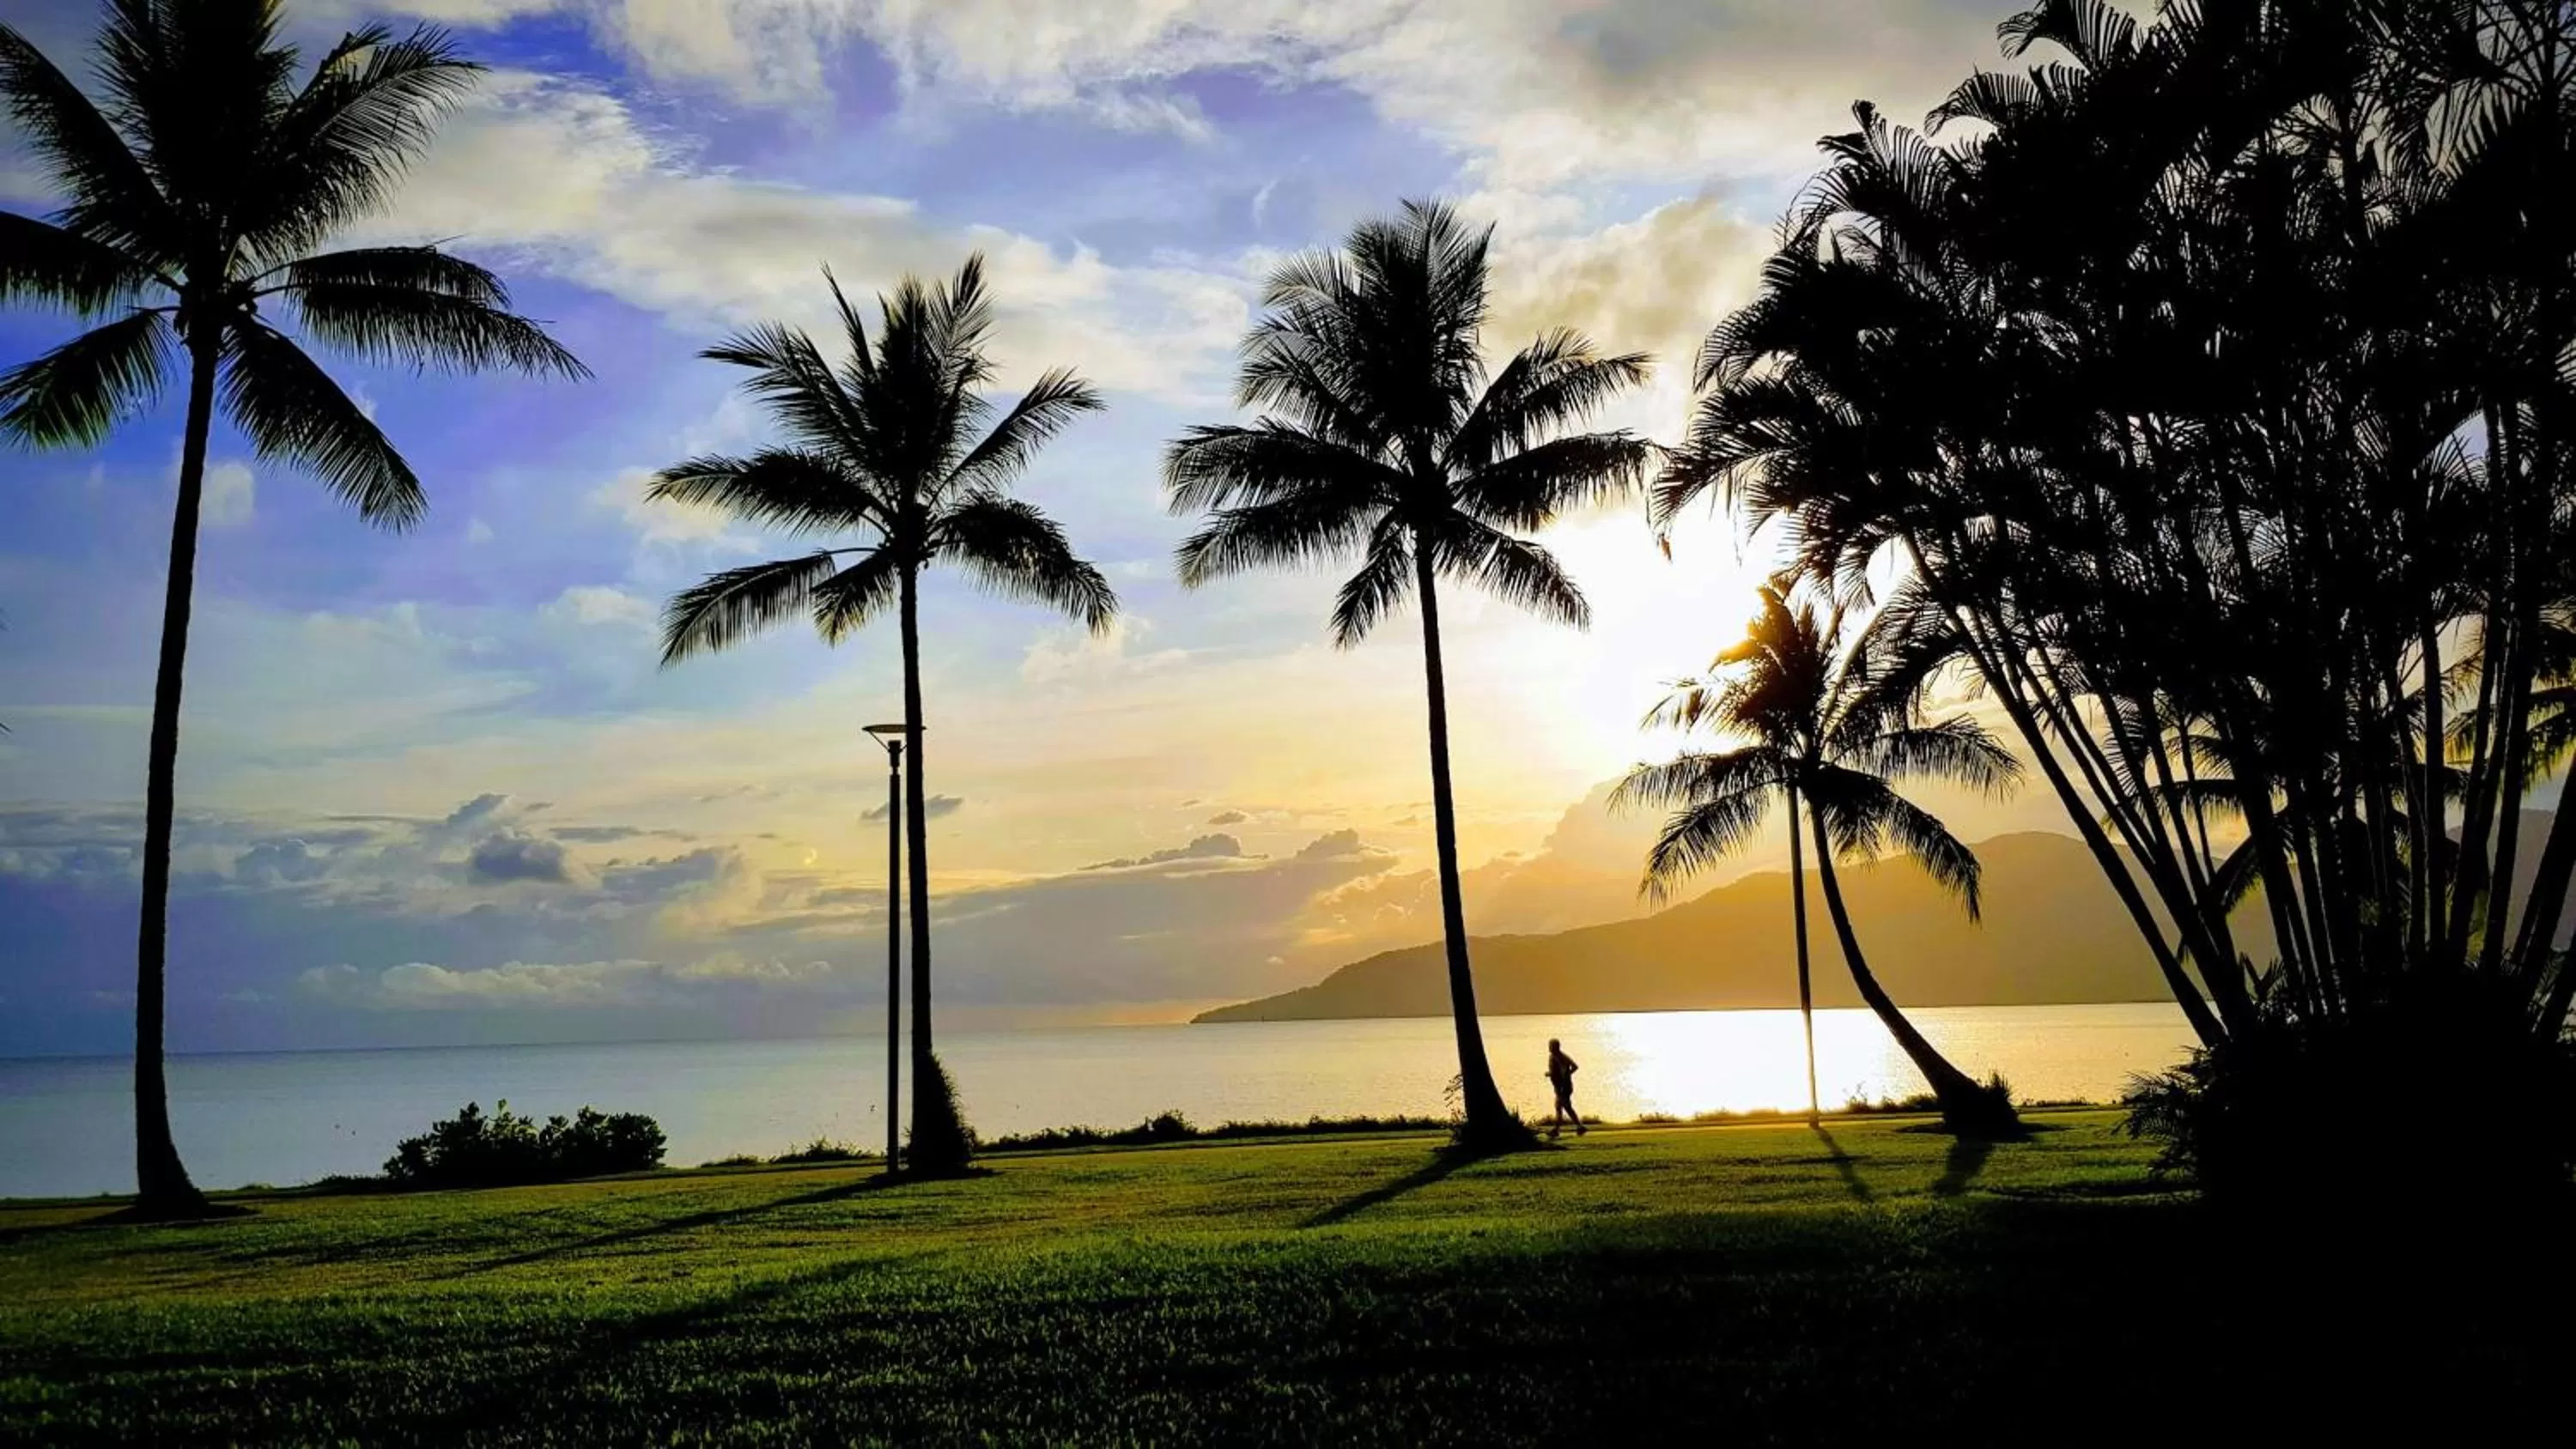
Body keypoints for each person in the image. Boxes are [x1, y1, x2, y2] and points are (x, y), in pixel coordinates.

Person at [1546, 1039, 1584, 1139]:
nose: (1549, 1047)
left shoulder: (1558, 1057)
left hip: (1563, 1087)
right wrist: (1554, 1074)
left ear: (1556, 1047)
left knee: (1564, 1107)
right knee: (1561, 1107)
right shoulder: (1559, 1056)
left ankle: (1559, 1130)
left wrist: (1561, 1077)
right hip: (1561, 1087)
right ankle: (1577, 1127)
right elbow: (1574, 1067)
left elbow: (1565, 1071)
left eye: (1550, 1045)